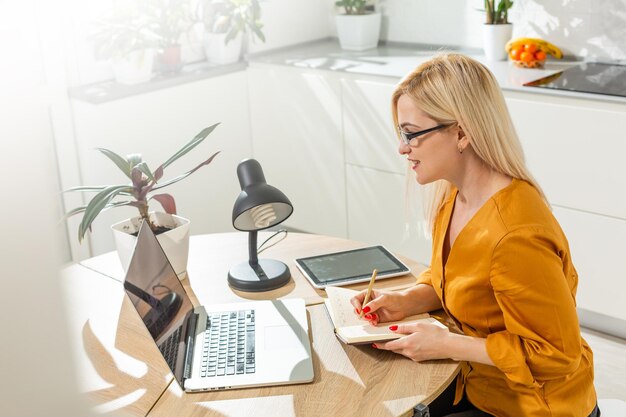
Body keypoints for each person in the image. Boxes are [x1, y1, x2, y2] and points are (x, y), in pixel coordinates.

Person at [350, 54, 599, 417]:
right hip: (476, 384)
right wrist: (408, 299)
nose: (402, 148)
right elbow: (462, 282)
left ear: (462, 133)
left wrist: (450, 344)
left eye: (411, 134)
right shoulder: (454, 195)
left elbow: (557, 355)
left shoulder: (516, 235)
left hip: (534, 407)